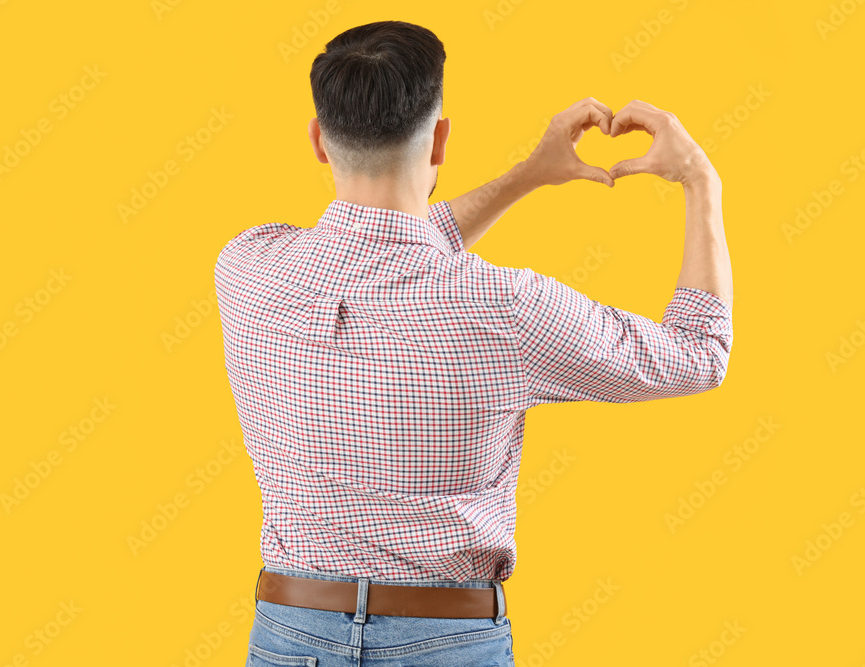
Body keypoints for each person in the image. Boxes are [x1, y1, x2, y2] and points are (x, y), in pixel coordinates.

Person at [214, 19, 732, 667]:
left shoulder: (247, 268)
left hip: (290, 638)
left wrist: (526, 176)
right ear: (439, 141)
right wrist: (701, 183)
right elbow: (699, 353)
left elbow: (379, 249)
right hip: (445, 642)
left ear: (320, 141)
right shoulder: (505, 307)